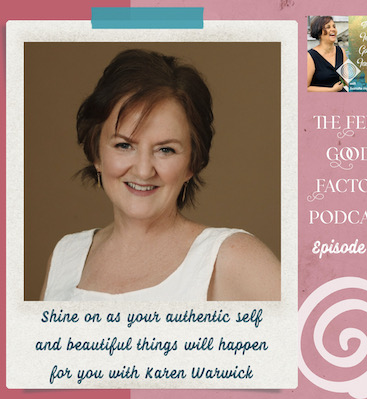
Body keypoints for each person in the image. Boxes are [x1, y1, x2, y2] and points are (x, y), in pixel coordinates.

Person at [40, 49, 280, 301]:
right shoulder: (65, 256)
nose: (144, 170)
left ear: (192, 163)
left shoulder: (229, 257)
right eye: (124, 145)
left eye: (166, 150)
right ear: (96, 154)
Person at [307, 16, 347, 92]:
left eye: (334, 26)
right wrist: (331, 90)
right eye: (328, 27)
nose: (333, 29)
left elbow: (350, 79)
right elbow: (306, 88)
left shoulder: (341, 51)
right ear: (319, 32)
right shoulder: (310, 56)